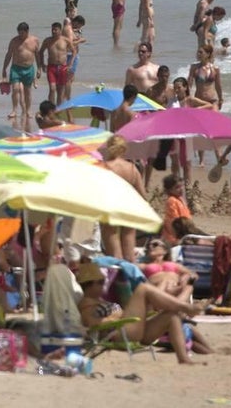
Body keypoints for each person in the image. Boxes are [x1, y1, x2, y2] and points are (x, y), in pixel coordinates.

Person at [75, 261, 208, 365]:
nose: (103, 285)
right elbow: (90, 323)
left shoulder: (99, 300)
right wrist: (116, 320)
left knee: (171, 316)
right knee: (143, 288)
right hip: (119, 333)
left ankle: (183, 358)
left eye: (103, 281)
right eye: (100, 282)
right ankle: (186, 308)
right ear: (88, 285)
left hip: (131, 329)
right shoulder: (86, 304)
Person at [100, 135, 146, 260]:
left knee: (111, 239)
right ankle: (130, 272)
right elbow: (142, 194)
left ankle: (116, 271)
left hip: (111, 206)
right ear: (124, 149)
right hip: (129, 206)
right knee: (129, 241)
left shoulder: (105, 167)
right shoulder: (131, 168)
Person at [2, 22, 39, 132]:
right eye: (19, 33)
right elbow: (9, 54)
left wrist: (40, 68)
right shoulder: (14, 41)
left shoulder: (35, 41)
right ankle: (14, 110)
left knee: (28, 91)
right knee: (16, 89)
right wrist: (4, 69)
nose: (20, 35)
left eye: (22, 33)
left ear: (27, 31)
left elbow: (37, 55)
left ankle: (28, 110)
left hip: (29, 69)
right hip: (16, 68)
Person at [162, 174, 204, 244]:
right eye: (177, 187)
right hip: (176, 235)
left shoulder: (180, 199)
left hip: (186, 230)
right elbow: (175, 223)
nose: (181, 189)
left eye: (182, 186)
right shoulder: (171, 201)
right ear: (169, 190)